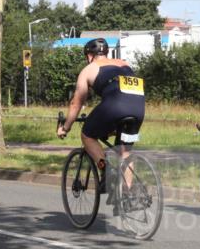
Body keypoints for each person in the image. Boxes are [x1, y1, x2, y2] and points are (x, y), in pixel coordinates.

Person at [57, 38, 145, 176]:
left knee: (87, 135)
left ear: (90, 55)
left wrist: (65, 127)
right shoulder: (125, 64)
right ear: (106, 52)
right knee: (125, 152)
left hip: (115, 105)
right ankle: (128, 194)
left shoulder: (89, 69)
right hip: (138, 107)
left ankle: (106, 170)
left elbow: (76, 103)